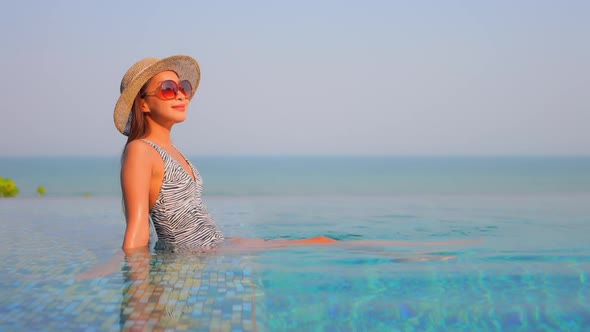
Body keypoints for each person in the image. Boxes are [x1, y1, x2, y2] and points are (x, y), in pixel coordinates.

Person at [113, 55, 479, 254]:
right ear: (143, 104)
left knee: (323, 242)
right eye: (167, 88)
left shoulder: (171, 149)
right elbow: (138, 231)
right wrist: (136, 296)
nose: (181, 94)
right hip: (201, 255)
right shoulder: (140, 152)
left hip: (218, 245)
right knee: (324, 244)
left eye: (184, 86)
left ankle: (426, 248)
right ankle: (415, 256)